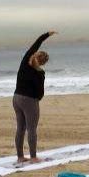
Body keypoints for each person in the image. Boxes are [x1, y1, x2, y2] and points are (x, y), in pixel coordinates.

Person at [13, 30, 57, 164]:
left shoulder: (25, 61)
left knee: (20, 128)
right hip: (29, 101)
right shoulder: (40, 73)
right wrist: (37, 99)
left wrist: (46, 35)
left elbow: (36, 43)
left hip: (16, 98)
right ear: (43, 63)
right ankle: (33, 157)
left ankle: (20, 157)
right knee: (32, 129)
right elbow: (40, 93)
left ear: (34, 54)